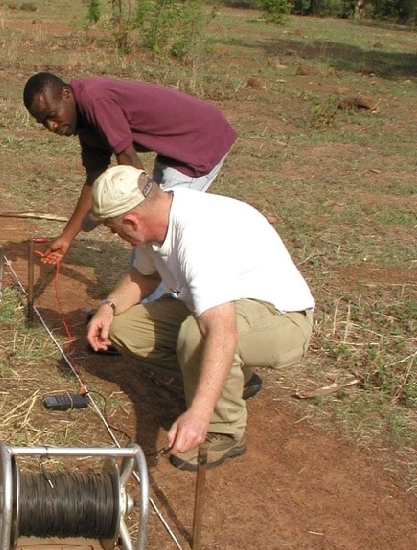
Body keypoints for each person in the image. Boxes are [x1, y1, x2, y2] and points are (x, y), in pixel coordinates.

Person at [86, 165, 314, 471]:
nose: (115, 235)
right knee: (125, 328)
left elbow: (222, 332)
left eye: (113, 229)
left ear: (131, 222)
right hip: (222, 308)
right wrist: (108, 307)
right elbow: (144, 275)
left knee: (197, 335)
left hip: (282, 319)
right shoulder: (157, 219)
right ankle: (235, 381)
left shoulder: (198, 234)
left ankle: (223, 429)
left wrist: (199, 414)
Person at [23, 72, 237, 266]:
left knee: (160, 226)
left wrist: (127, 212)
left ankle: (155, 299)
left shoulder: (94, 99)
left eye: (52, 114)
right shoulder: (85, 125)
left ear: (66, 94)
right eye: (43, 122)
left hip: (200, 141)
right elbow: (94, 181)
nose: (51, 125)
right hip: (174, 149)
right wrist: (66, 237)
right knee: (151, 227)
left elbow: (129, 162)